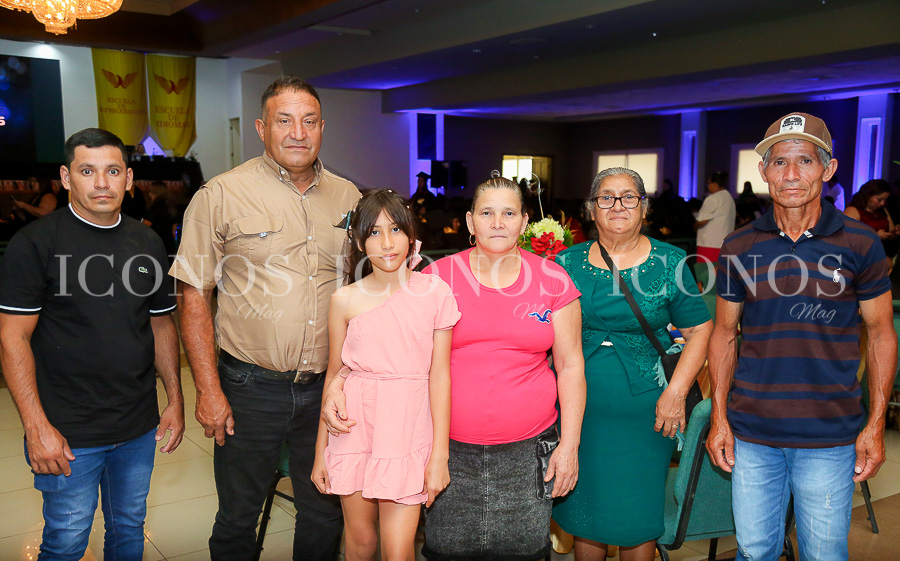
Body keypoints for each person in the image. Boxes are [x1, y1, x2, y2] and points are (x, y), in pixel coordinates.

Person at [324, 175, 586, 560]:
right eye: (487, 213)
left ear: (524, 221)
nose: (498, 223)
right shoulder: (436, 279)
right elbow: (382, 342)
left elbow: (571, 365)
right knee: (448, 551)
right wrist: (340, 380)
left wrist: (570, 445)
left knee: (526, 551)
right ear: (469, 221)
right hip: (447, 449)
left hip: (528, 450)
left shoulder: (553, 279)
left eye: (509, 213)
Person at [171, 75, 360, 561]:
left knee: (324, 512)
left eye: (309, 121)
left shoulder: (348, 198)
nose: (298, 132)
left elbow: (365, 287)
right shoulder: (220, 194)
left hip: (327, 388)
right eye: (284, 121)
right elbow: (193, 296)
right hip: (249, 388)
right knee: (239, 516)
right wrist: (208, 390)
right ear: (261, 128)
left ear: (322, 128)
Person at [707, 112, 896, 561]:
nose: (791, 174)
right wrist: (719, 418)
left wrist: (875, 423)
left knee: (824, 554)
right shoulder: (739, 246)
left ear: (828, 170)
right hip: (752, 432)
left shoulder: (860, 243)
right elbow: (724, 334)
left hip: (829, 433)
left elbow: (881, 335)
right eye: (779, 162)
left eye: (805, 161)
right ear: (764, 171)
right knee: (754, 551)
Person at [0, 128, 184, 561]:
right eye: (87, 171)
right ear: (67, 177)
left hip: (137, 426)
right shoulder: (35, 243)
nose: (102, 182)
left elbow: (161, 325)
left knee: (129, 530)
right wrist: (36, 427)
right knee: (67, 540)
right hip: (67, 430)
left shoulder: (148, 242)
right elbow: (12, 337)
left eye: (113, 171)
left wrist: (175, 400)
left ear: (129, 178)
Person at [552, 168, 712, 561]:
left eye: (629, 197)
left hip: (649, 411)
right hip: (579, 410)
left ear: (644, 207)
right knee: (586, 511)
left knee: (637, 513)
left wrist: (676, 393)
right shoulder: (565, 262)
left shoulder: (671, 261)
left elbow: (700, 331)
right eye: (606, 197)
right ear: (592, 209)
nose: (617, 205)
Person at [311, 190, 459, 560]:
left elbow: (440, 377)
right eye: (374, 233)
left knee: (398, 548)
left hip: (407, 428)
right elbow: (334, 377)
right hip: (353, 426)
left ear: (411, 234)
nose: (387, 242)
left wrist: (439, 455)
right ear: (360, 242)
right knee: (360, 541)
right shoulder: (344, 299)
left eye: (395, 229)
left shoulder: (435, 292)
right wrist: (320, 453)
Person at [844, 178, 899, 263]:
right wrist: (875, 236)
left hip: (878, 255)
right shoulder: (853, 210)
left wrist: (894, 233)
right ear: (868, 195)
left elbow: (889, 235)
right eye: (879, 199)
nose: (882, 203)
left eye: (884, 200)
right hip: (859, 257)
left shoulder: (883, 211)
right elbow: (848, 238)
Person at [694, 171, 736, 264]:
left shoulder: (713, 198)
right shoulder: (729, 198)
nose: (708, 186)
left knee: (705, 272)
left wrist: (694, 226)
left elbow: (702, 221)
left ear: (715, 184)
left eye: (708, 183)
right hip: (725, 244)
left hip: (709, 244)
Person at [143, 180, 178, 260]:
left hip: (156, 245)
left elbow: (143, 227)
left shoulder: (154, 209)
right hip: (169, 245)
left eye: (151, 192)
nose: (149, 194)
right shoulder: (171, 208)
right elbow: (174, 230)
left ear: (156, 193)